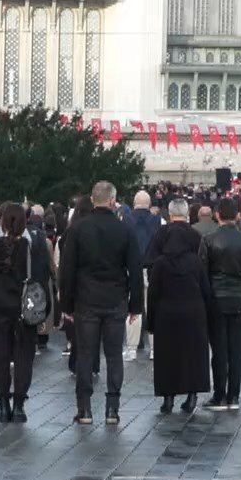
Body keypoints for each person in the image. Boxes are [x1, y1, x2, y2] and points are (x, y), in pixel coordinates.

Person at [60, 181, 144, 425]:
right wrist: (135, 305)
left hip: (86, 300)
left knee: (86, 354)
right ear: (112, 201)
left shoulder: (78, 229)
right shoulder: (125, 230)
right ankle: (112, 408)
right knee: (114, 354)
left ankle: (84, 408)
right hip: (115, 299)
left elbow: (68, 270)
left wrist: (66, 305)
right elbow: (135, 270)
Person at [0, 203, 49, 424]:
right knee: (23, 357)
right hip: (24, 311)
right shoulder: (32, 248)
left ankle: (2, 404)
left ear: (2, 222)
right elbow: (41, 281)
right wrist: (43, 314)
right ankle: (19, 404)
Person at [147, 199, 213, 413]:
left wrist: (151, 321)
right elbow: (205, 286)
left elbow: (153, 292)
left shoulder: (160, 260)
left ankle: (168, 398)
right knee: (193, 353)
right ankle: (192, 394)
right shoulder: (195, 256)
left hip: (167, 310)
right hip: (193, 309)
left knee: (167, 355)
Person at [203, 198, 241, 410]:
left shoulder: (209, 240)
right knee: (236, 349)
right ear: (237, 216)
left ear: (217, 215)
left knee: (218, 350)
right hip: (238, 299)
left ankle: (219, 395)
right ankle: (234, 396)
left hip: (216, 298)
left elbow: (203, 273)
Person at [125, 191, 161, 360]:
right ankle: (155, 348)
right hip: (152, 268)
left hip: (131, 268)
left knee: (134, 308)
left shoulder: (125, 220)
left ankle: (131, 348)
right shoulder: (157, 221)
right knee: (152, 307)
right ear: (149, 204)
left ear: (134, 203)